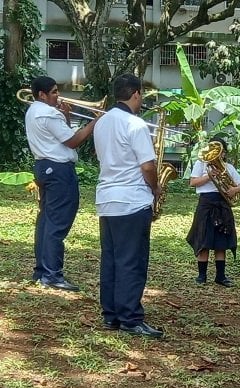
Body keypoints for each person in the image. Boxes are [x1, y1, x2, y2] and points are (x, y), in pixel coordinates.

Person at [93, 74, 163, 338]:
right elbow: (147, 165)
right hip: (132, 200)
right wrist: (155, 188)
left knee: (110, 260)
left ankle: (111, 315)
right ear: (136, 94)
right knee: (132, 261)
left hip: (107, 200)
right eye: (141, 95)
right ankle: (130, 318)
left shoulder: (101, 123)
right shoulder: (135, 124)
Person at [25, 76, 98, 291]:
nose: (59, 96)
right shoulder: (48, 113)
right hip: (59, 171)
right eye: (55, 92)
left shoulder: (33, 111)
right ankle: (53, 275)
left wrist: (65, 117)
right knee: (57, 222)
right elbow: (73, 141)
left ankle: (42, 271)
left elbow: (58, 138)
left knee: (47, 221)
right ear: (42, 94)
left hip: (44, 167)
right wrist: (95, 122)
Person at [186, 137, 240, 287]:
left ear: (224, 153)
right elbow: (192, 182)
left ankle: (220, 276)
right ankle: (202, 276)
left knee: (221, 241)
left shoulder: (228, 167)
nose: (218, 154)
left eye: (220, 151)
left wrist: (233, 190)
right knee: (203, 239)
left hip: (222, 203)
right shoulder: (201, 164)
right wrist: (209, 176)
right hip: (206, 203)